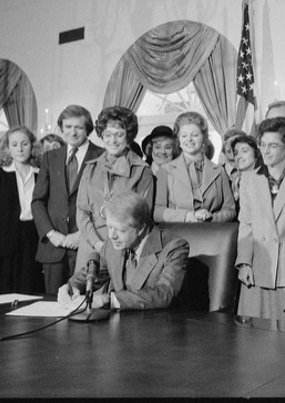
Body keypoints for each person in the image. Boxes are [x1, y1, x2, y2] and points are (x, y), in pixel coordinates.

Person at [58, 190, 189, 311]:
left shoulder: (174, 247)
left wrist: (108, 300)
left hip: (156, 328)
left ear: (141, 228)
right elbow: (93, 275)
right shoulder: (112, 245)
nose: (111, 235)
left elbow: (163, 294)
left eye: (120, 230)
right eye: (109, 227)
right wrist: (70, 287)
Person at [235, 117, 285, 320]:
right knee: (254, 339)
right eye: (263, 145)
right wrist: (244, 263)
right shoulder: (249, 180)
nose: (266, 151)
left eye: (273, 145)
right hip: (258, 270)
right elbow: (246, 224)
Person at [32, 105, 104, 295]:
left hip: (85, 245)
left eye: (78, 127)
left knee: (82, 304)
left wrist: (82, 234)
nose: (73, 132)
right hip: (53, 247)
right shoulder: (50, 157)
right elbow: (38, 201)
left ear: (87, 129)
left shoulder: (102, 156)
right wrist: (50, 233)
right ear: (61, 128)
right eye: (68, 126)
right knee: (52, 306)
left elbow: (103, 204)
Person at [76, 106, 155, 272]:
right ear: (101, 136)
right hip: (90, 247)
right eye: (108, 135)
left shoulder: (142, 171)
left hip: (124, 248)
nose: (113, 140)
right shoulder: (90, 168)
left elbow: (142, 218)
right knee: (81, 295)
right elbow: (81, 211)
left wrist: (111, 248)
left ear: (129, 137)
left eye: (119, 134)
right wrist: (97, 244)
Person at [154, 111, 236, 223]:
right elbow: (157, 212)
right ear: (178, 141)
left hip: (213, 234)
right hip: (176, 235)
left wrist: (213, 218)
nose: (189, 139)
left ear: (204, 138)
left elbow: (230, 210)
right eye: (184, 135)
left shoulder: (219, 171)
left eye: (195, 135)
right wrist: (187, 216)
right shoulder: (165, 170)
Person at [0, 126, 44, 294]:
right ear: (7, 148)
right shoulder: (2, 174)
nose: (20, 149)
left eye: (24, 144)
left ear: (32, 147)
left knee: (30, 286)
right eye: (14, 144)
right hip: (6, 238)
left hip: (33, 235)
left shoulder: (40, 174)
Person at [230, 134, 260, 211]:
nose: (239, 156)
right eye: (236, 153)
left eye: (244, 151)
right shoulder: (234, 182)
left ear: (256, 154)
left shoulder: (263, 180)